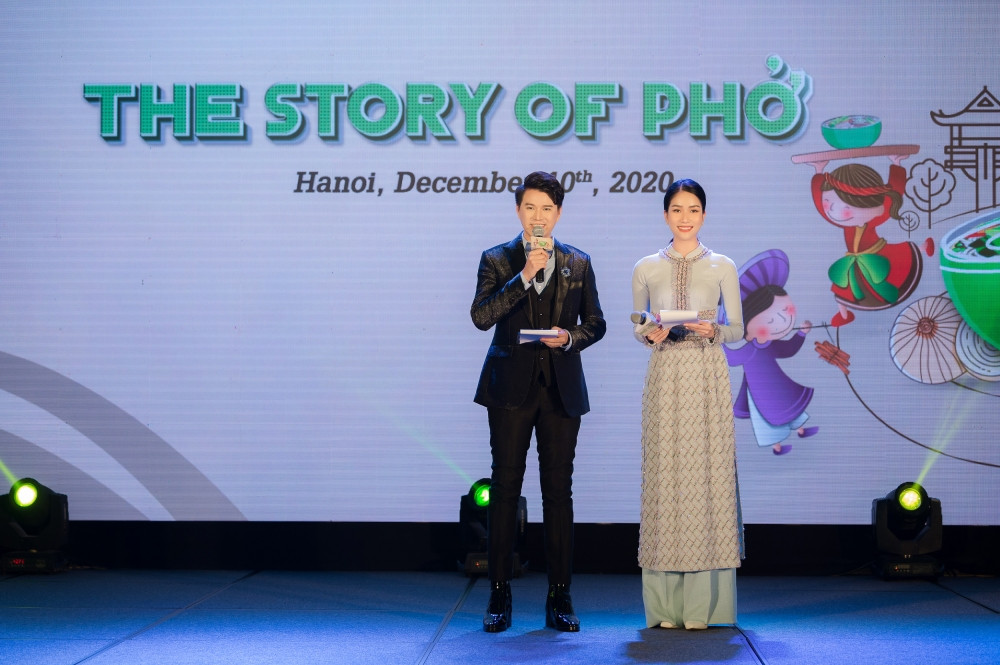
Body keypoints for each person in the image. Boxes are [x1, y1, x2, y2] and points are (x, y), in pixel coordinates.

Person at [471, 170, 606, 633]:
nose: (538, 216)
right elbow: (481, 316)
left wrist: (569, 338)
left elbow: (596, 323)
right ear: (518, 211)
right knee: (505, 488)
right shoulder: (497, 258)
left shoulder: (578, 262)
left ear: (559, 213)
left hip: (560, 389)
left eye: (547, 208)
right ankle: (499, 593)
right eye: (530, 207)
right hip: (509, 389)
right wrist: (525, 275)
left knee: (558, 492)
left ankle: (560, 595)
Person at [630, 178, 744, 630]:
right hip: (665, 375)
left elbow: (737, 329)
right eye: (677, 209)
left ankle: (705, 608)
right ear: (665, 215)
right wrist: (650, 332)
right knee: (664, 482)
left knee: (707, 481)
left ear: (704, 215)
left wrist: (713, 329)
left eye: (693, 209)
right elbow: (638, 325)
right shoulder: (645, 267)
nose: (685, 217)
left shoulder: (722, 265)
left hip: (706, 373)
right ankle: (664, 609)